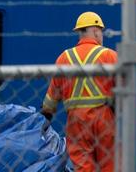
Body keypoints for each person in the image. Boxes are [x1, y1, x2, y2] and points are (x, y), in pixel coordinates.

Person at [42, 11, 118, 172]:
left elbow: (51, 97)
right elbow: (122, 91)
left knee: (83, 165)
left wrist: (46, 118)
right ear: (96, 31)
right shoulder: (110, 56)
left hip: (76, 120)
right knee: (110, 164)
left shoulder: (64, 58)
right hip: (104, 118)